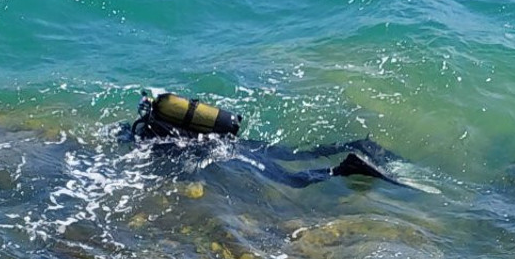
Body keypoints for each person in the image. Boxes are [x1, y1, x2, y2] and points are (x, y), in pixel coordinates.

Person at [118, 91, 411, 189]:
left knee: (290, 180)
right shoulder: (172, 115)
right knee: (297, 154)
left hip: (223, 152)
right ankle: (353, 144)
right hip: (236, 144)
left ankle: (345, 168)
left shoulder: (152, 135)